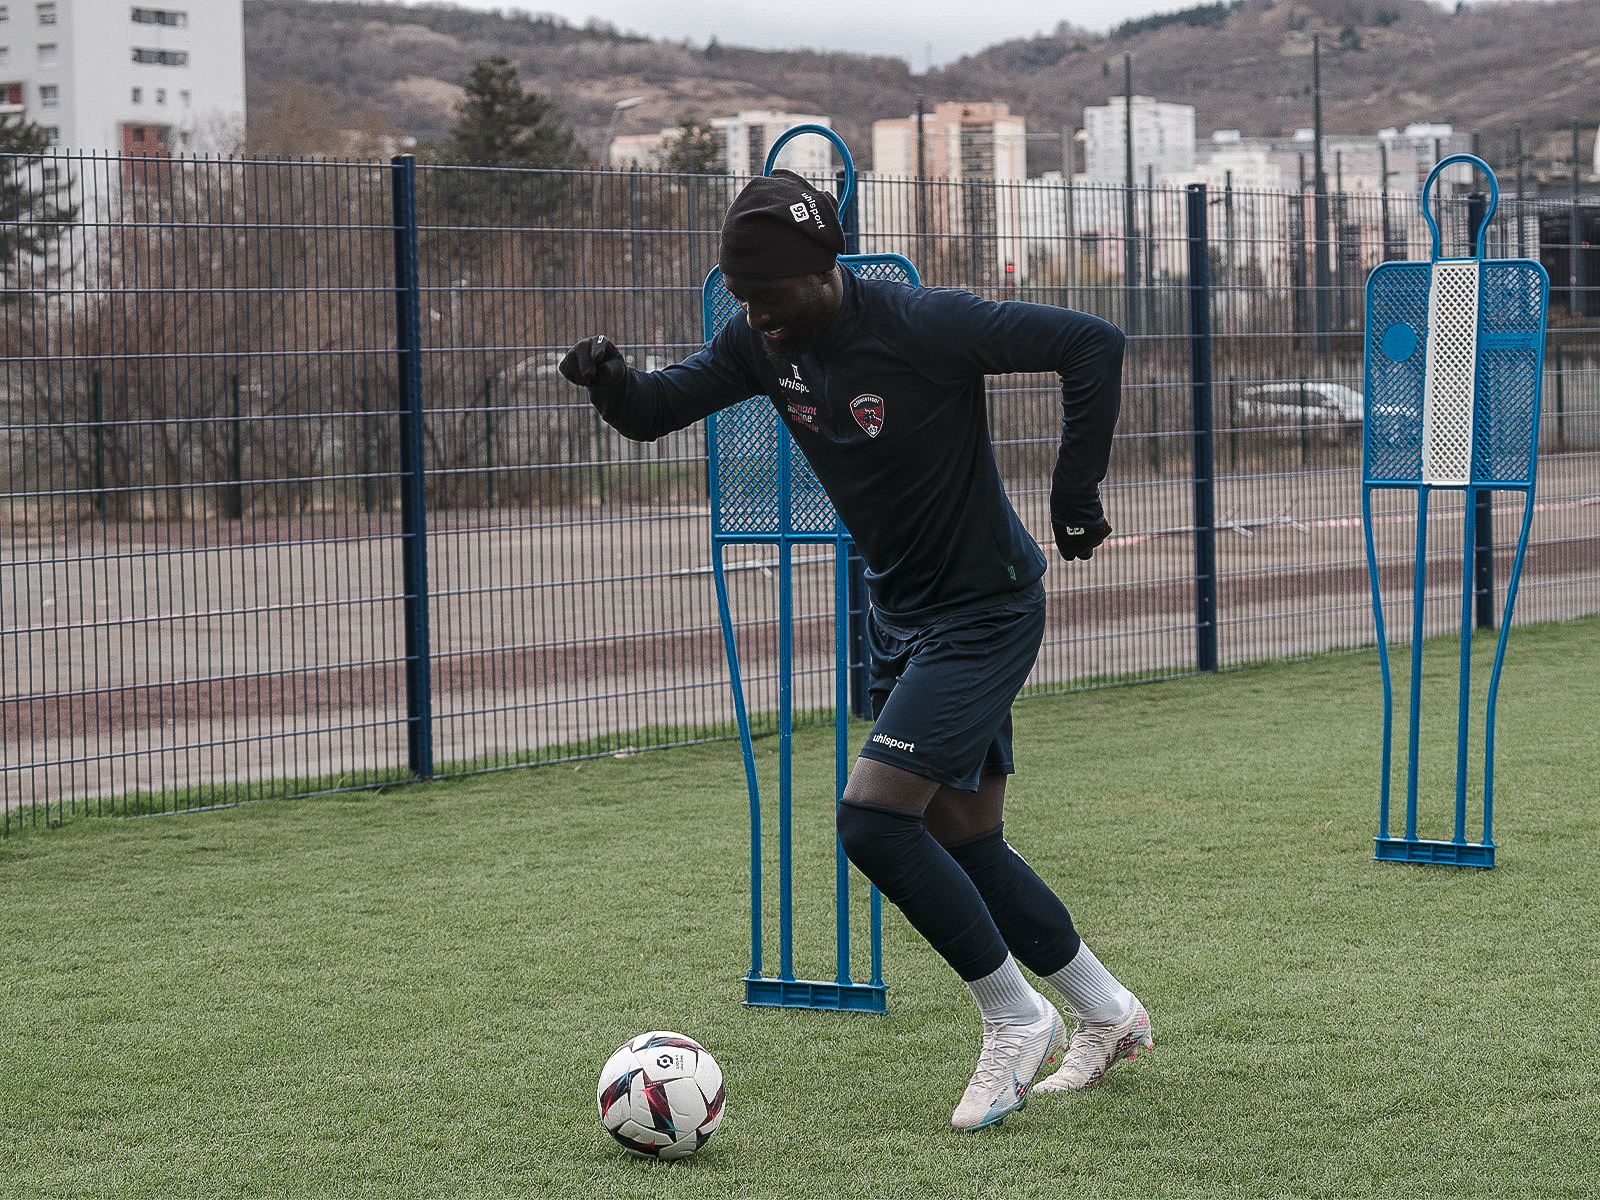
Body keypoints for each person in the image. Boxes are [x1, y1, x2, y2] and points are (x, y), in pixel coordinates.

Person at [560, 169, 1151, 1131]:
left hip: (986, 611)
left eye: (774, 296)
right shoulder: (760, 342)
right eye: (745, 298)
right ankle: (1109, 1013)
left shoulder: (924, 323)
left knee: (874, 824)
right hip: (899, 616)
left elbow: (1092, 343)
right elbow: (657, 410)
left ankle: (1013, 1017)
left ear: (825, 270)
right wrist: (613, 382)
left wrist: (1075, 497)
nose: (759, 316)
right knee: (970, 840)